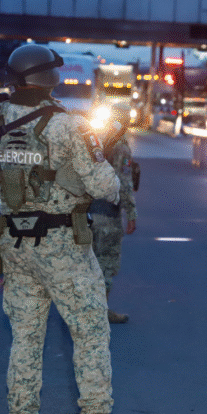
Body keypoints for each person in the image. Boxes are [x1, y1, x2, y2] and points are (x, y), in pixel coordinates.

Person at [0, 44, 146, 414]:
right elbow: (107, 187)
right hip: (63, 246)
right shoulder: (68, 125)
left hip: (15, 245)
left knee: (25, 339)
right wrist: (94, 159)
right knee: (90, 333)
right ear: (50, 78)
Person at [90, 102, 137, 324]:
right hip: (108, 214)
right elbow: (125, 183)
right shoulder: (120, 147)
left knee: (88, 262)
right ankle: (100, 312)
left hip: (87, 213)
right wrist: (132, 213)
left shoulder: (95, 140)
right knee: (106, 263)